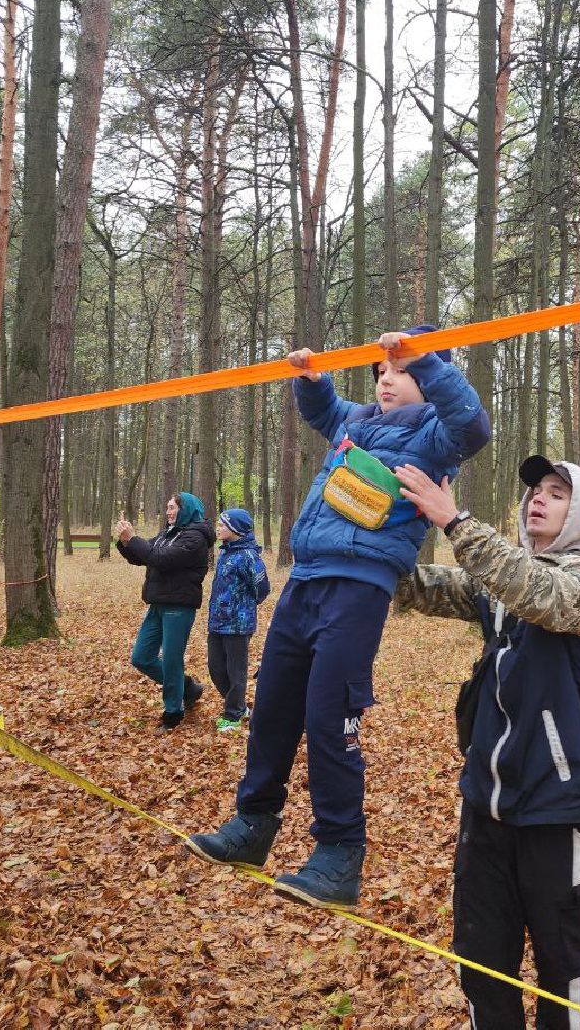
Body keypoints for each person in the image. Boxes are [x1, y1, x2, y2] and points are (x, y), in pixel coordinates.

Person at [188, 324, 491, 909]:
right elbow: (325, 412)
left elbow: (473, 424)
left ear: (427, 377)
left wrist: (423, 360)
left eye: (398, 371)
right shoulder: (357, 423)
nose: (385, 380)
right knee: (273, 703)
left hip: (360, 586)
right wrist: (311, 379)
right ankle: (253, 823)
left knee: (330, 714)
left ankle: (339, 851)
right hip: (305, 580)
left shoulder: (436, 432)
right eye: (381, 371)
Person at [392, 455, 580, 1030]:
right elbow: (418, 585)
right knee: (481, 956)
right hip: (484, 803)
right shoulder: (496, 583)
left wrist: (456, 521)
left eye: (556, 493)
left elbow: (537, 592)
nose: (537, 499)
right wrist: (378, 533)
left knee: (562, 957)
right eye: (535, 491)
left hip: (553, 804)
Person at [115, 492, 215, 730]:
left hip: (178, 607)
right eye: (167, 508)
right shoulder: (169, 533)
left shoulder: (195, 538)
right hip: (157, 603)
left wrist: (133, 539)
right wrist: (125, 541)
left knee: (171, 661)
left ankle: (173, 713)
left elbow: (161, 558)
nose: (168, 512)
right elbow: (143, 556)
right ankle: (187, 688)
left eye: (172, 508)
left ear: (187, 509)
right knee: (141, 657)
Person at [207, 508, 271, 732]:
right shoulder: (225, 552)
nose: (219, 527)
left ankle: (233, 715)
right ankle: (240, 706)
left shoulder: (248, 556)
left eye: (223, 524)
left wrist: (241, 607)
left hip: (238, 625)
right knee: (215, 669)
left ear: (235, 529)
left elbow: (262, 589)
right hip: (216, 622)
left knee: (236, 672)